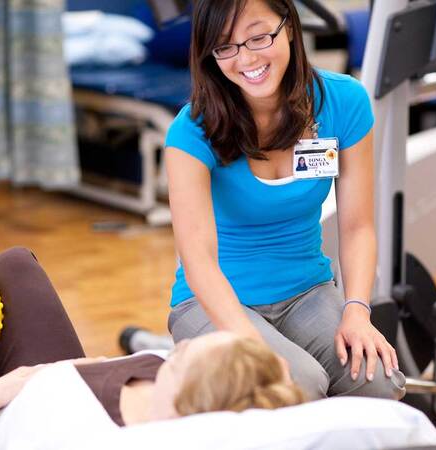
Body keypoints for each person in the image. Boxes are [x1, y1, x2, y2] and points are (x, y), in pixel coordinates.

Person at [164, 0, 406, 400]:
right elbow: (198, 262)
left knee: (379, 381)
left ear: (289, 27)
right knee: (298, 385)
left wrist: (357, 310)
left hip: (306, 291)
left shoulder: (343, 102)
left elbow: (358, 226)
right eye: (226, 47)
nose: (246, 58)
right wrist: (248, 342)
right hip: (213, 303)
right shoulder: (192, 131)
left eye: (259, 36)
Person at [0, 247, 303, 448]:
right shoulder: (179, 385)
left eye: (179, 361)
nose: (177, 349)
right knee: (15, 264)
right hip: (52, 379)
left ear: (180, 407)